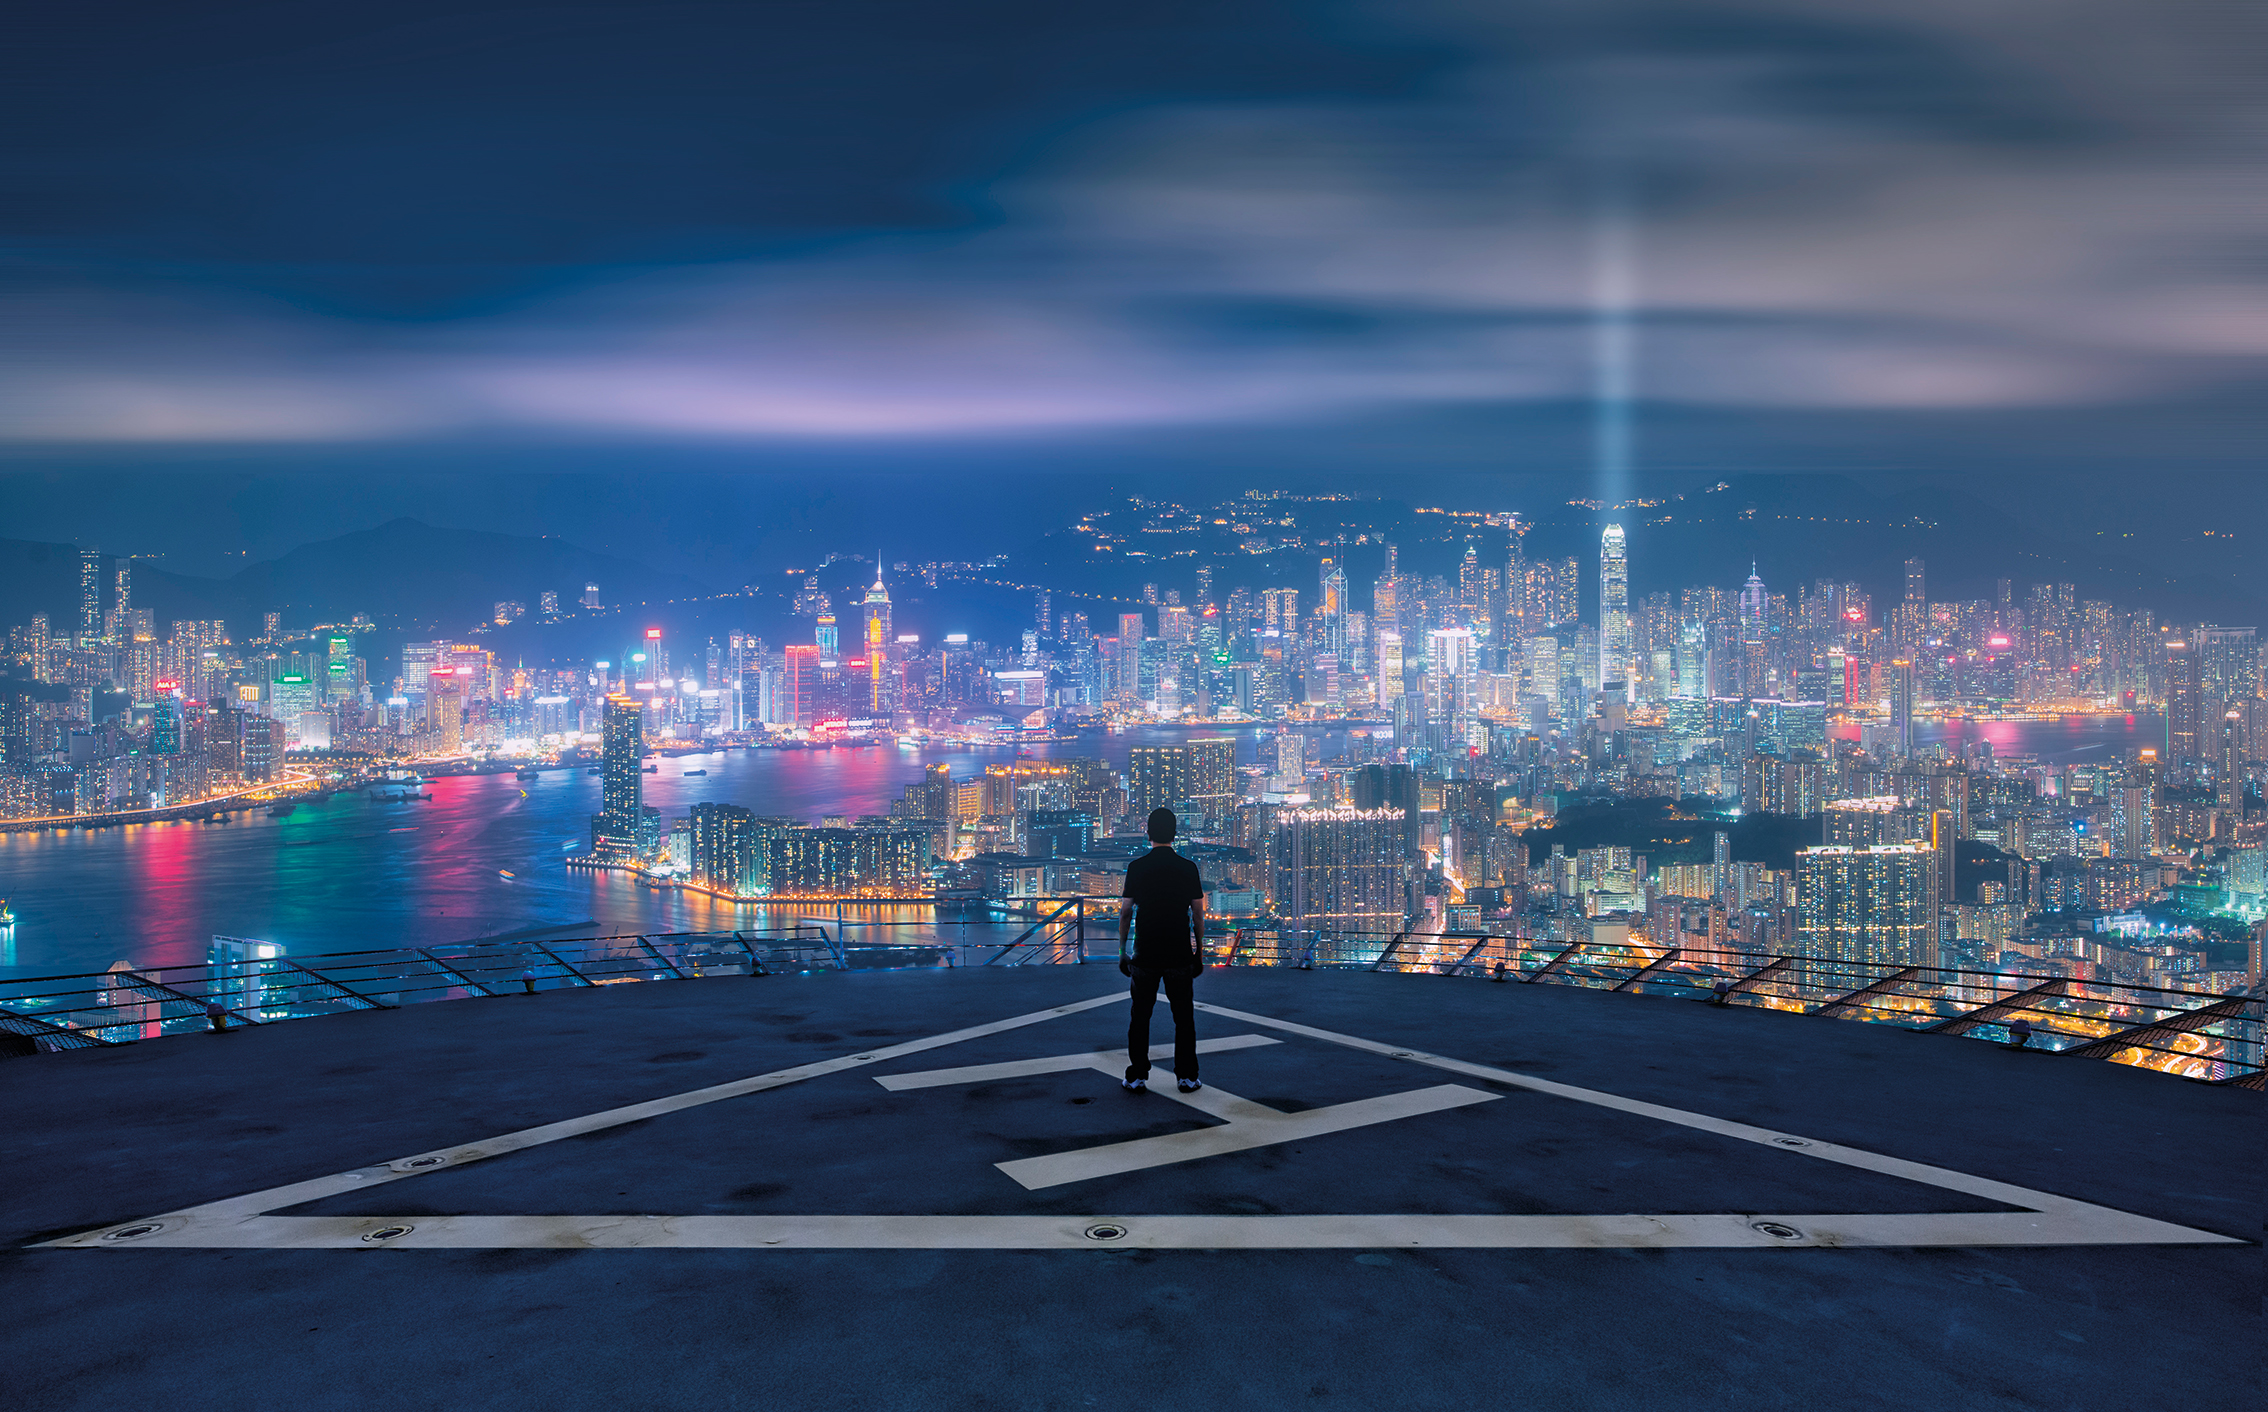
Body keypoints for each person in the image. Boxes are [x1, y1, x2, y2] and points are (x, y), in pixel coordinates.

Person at [1118, 806, 1206, 1093]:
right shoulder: (1188, 868)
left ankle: (1137, 1076)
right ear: (1175, 834)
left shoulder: (1137, 867)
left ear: (1148, 833)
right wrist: (1199, 953)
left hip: (1144, 953)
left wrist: (1122, 951)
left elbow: (1126, 912)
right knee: (1184, 1018)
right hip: (1179, 954)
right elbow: (1197, 915)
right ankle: (1187, 1077)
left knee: (1140, 1017)